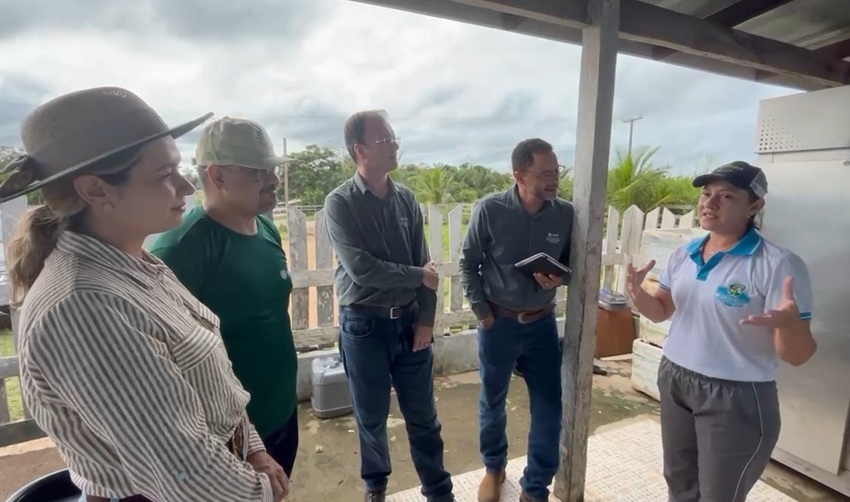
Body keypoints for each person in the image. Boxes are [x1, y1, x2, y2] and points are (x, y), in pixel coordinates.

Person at [5, 87, 288, 502]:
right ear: (96, 191)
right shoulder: (84, 307)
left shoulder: (136, 263)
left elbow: (215, 387)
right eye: (164, 175)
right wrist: (264, 490)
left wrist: (256, 449)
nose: (186, 187)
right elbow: (190, 475)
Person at [626, 161, 817, 502]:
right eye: (707, 193)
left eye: (726, 196)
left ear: (754, 206)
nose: (709, 203)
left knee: (719, 494)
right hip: (675, 379)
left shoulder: (777, 264)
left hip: (736, 395)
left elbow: (797, 355)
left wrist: (789, 325)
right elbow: (661, 311)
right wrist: (638, 295)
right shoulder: (684, 254)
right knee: (680, 482)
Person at [147, 117, 299, 479]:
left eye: (271, 170)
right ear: (216, 177)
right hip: (230, 435)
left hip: (282, 410)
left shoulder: (264, 227)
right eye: (258, 172)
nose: (273, 180)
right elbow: (166, 362)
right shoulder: (182, 248)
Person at [323, 110, 454, 502]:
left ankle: (438, 491)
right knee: (371, 419)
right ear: (360, 150)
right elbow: (362, 270)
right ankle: (375, 489)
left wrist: (426, 322)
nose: (395, 145)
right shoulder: (339, 203)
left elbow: (427, 264)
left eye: (394, 138)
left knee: (424, 418)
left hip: (410, 323)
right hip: (363, 327)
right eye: (385, 140)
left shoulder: (407, 200)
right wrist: (416, 276)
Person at [458, 138, 572, 502]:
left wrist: (560, 277)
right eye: (545, 173)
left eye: (557, 171)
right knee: (492, 401)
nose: (554, 179)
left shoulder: (565, 213)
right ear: (519, 175)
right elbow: (467, 264)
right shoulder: (490, 210)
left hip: (541, 324)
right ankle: (494, 469)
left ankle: (535, 486)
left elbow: (571, 264)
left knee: (549, 406)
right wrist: (482, 313)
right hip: (499, 324)